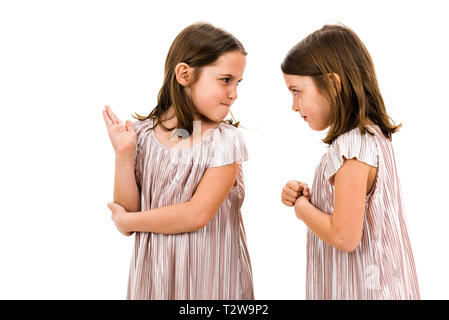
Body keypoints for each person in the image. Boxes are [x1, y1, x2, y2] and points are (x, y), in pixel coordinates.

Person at [102, 22, 254, 300]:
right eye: (225, 80)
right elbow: (128, 208)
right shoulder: (142, 136)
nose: (234, 93)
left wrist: (128, 221)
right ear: (184, 74)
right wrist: (124, 155)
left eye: (237, 82)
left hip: (211, 282)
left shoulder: (225, 141)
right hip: (153, 280)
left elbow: (197, 215)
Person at [280, 24, 420, 299]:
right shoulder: (370, 139)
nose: (294, 106)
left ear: (332, 84)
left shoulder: (353, 147)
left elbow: (344, 236)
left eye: (297, 91)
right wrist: (314, 196)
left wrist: (301, 208)